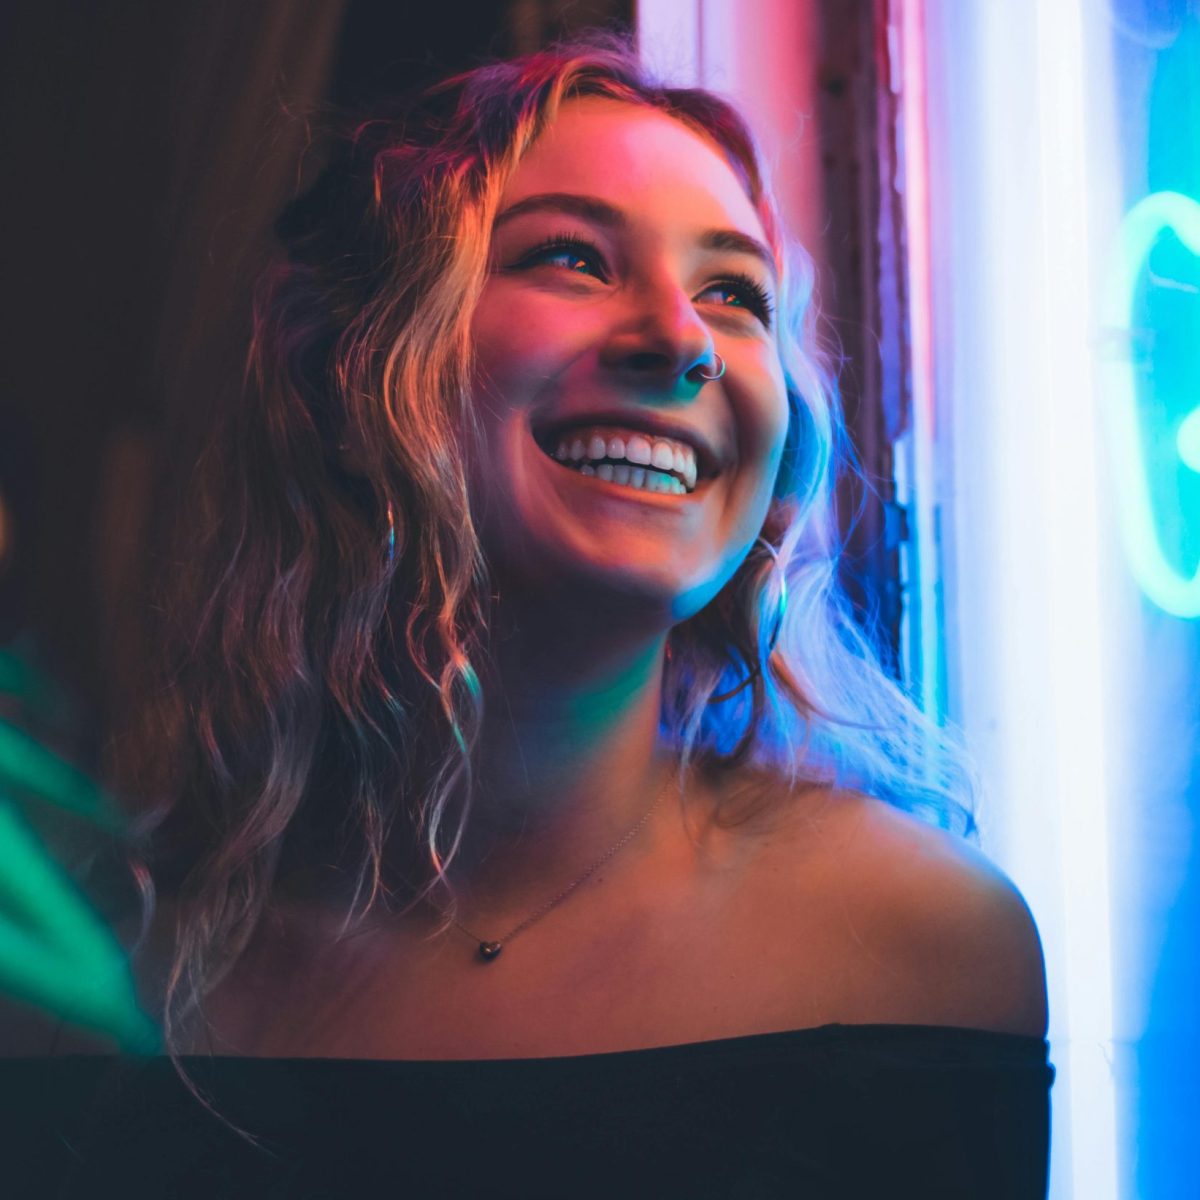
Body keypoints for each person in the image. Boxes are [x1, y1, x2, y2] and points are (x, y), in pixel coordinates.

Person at [3, 29, 1053, 1199]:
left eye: (734, 291)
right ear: (345, 375)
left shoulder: (920, 945)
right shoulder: (111, 969)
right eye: (572, 259)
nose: (683, 343)